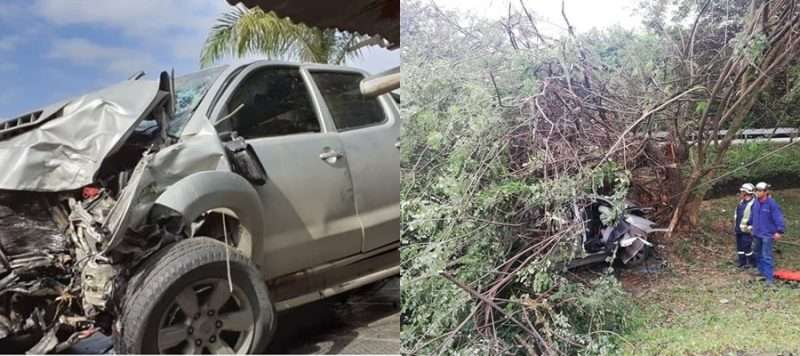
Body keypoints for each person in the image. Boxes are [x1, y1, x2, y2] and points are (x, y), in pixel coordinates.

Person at [750, 182, 785, 284]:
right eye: (756, 190)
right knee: (757, 253)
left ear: (766, 192)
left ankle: (769, 279)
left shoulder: (771, 204)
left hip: (767, 234)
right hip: (757, 233)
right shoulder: (755, 203)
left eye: (760, 191)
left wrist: (779, 231)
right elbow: (753, 216)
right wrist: (750, 225)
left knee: (766, 256)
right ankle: (761, 272)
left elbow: (778, 218)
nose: (758, 192)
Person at [735, 183, 756, 268]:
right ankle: (742, 262)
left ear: (746, 192)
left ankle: (752, 262)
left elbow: (755, 218)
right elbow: (737, 215)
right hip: (738, 229)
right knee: (740, 247)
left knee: (746, 246)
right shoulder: (741, 202)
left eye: (742, 191)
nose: (741, 193)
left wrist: (751, 228)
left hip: (747, 230)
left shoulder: (753, 204)